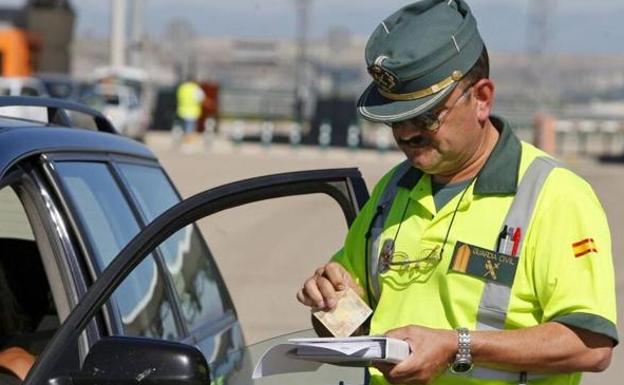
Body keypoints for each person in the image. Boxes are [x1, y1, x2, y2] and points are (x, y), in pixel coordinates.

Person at [296, 1, 617, 385]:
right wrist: (329, 303)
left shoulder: (554, 196)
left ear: (481, 98)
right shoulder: (393, 190)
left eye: (426, 115)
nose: (406, 134)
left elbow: (591, 345)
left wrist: (457, 346)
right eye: (394, 120)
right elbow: (351, 329)